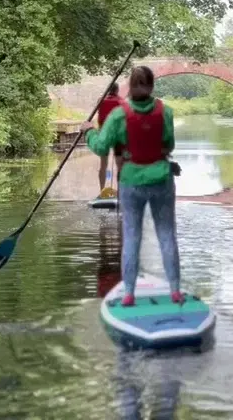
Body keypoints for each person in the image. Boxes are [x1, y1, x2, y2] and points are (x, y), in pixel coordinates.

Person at [80, 66, 182, 307]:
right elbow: (169, 144)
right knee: (167, 235)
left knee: (132, 236)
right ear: (152, 86)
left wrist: (89, 132)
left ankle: (128, 294)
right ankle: (175, 290)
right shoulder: (165, 111)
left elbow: (101, 147)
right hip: (161, 179)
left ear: (130, 86)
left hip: (131, 181)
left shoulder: (118, 114)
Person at [97, 82, 125, 191]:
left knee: (103, 164)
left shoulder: (100, 100)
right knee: (120, 165)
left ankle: (101, 190)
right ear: (117, 90)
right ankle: (121, 192)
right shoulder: (122, 102)